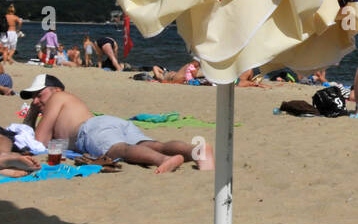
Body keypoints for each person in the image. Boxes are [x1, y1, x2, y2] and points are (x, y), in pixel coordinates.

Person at [20, 74, 213, 172]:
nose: (35, 101)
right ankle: (196, 151)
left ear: (56, 89)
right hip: (108, 123)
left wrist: (32, 113)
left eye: (39, 94)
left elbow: (39, 140)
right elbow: (47, 143)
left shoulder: (57, 97)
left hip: (90, 130)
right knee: (153, 144)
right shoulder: (65, 104)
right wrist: (35, 111)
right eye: (32, 98)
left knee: (119, 150)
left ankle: (162, 161)